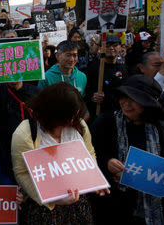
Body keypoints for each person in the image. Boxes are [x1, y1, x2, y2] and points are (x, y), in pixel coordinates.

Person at [12, 83, 107, 224]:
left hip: (79, 203)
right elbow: (22, 172)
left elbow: (89, 152)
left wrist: (94, 179)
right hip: (44, 209)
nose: (70, 121)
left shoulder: (79, 125)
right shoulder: (25, 133)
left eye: (74, 116)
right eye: (64, 118)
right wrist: (53, 198)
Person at [91, 75, 164, 224]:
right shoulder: (106, 121)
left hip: (149, 207)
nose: (126, 103)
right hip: (114, 205)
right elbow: (88, 154)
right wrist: (107, 162)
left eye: (134, 99)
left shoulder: (159, 127)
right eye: (123, 97)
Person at [86, 35, 127, 121]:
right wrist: (92, 97)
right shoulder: (93, 68)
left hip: (119, 115)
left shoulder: (124, 69)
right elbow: (86, 92)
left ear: (120, 47)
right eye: (107, 45)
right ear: (101, 48)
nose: (111, 48)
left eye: (115, 45)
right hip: (99, 116)